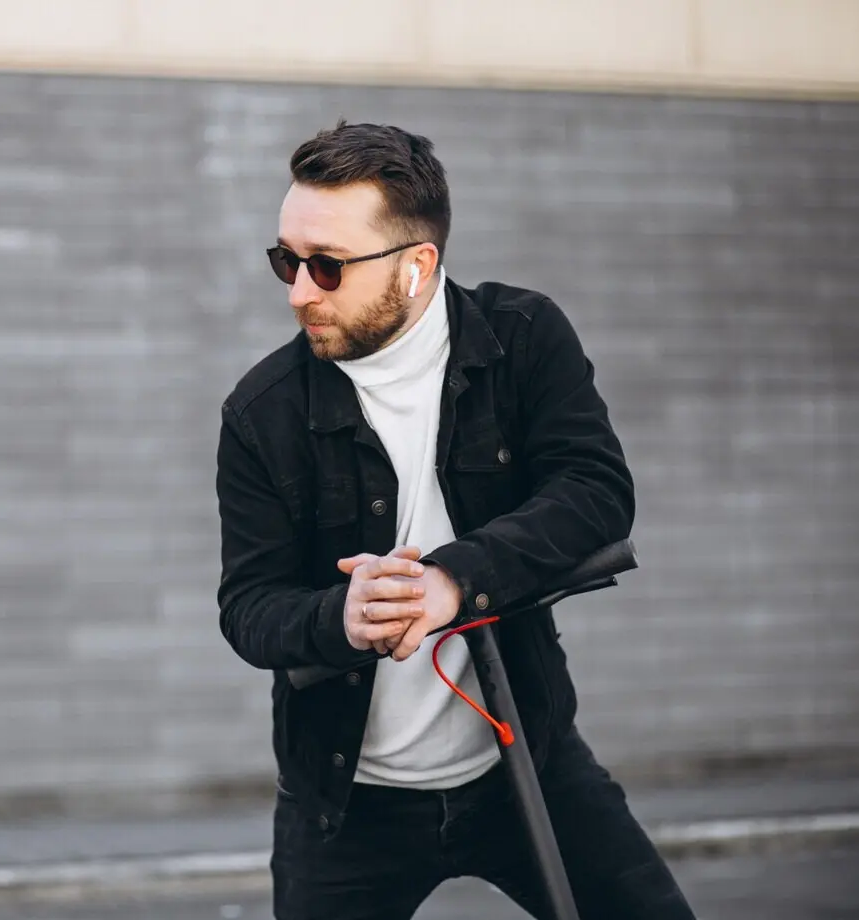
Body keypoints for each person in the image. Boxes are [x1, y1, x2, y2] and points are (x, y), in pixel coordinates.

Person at [215, 121, 696, 920]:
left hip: (526, 762)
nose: (300, 291)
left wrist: (452, 583)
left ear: (417, 266)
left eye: (327, 266)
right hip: (345, 803)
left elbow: (595, 490)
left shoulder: (523, 339)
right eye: (285, 260)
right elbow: (249, 607)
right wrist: (343, 616)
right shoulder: (262, 413)